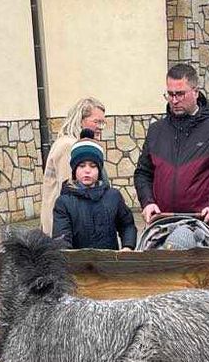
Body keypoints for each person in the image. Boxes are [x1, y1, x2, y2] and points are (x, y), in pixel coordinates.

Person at [134, 63, 209, 231]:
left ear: (195, 92)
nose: (174, 100)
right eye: (170, 94)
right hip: (161, 225)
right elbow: (143, 173)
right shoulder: (156, 131)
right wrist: (147, 202)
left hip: (201, 227)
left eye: (180, 94)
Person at [52, 131, 137, 251]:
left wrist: (128, 246)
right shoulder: (64, 202)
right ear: (74, 170)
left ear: (99, 170)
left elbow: (127, 225)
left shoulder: (113, 196)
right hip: (79, 266)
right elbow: (61, 238)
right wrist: (67, 257)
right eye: (82, 166)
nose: (87, 171)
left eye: (92, 166)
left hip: (110, 264)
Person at [41, 97, 106, 236]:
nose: (100, 127)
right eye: (96, 122)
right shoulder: (68, 146)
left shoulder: (78, 145)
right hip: (64, 231)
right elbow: (70, 190)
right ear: (80, 120)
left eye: (102, 123)